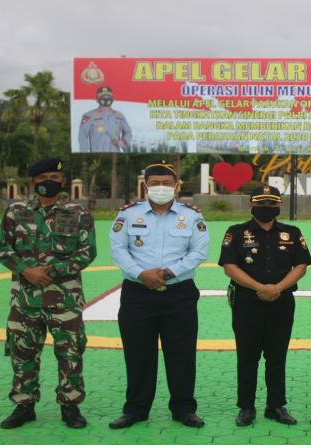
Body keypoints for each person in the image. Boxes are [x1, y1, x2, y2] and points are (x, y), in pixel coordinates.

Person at [0, 157, 97, 429]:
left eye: (55, 177)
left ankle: (70, 406)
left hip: (66, 300)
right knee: (22, 353)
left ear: (63, 181)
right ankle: (24, 405)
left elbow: (87, 253)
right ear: (33, 182)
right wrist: (27, 271)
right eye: (43, 178)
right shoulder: (16, 211)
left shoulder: (78, 212)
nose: (49, 182)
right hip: (25, 300)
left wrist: (50, 272)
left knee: (71, 353)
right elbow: (2, 249)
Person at [108, 162, 209, 429]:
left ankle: (184, 408)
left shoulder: (191, 216)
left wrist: (167, 273)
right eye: (155, 183)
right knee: (138, 353)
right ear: (146, 185)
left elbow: (198, 253)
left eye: (166, 183)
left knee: (182, 353)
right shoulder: (128, 215)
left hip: (179, 293)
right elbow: (118, 249)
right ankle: (136, 409)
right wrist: (141, 274)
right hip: (137, 294)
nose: (161, 188)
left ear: (176, 186)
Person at [219, 185, 311, 427]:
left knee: (277, 356)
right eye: (261, 204)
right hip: (247, 303)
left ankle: (275, 405)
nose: (266, 208)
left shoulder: (292, 232)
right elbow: (230, 266)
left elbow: (301, 266)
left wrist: (278, 288)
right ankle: (246, 407)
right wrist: (259, 287)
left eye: (272, 204)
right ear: (250, 205)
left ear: (279, 206)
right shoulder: (236, 232)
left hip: (281, 302)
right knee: (247, 356)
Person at [78, 86, 132, 153]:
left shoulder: (119, 116)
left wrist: (124, 141)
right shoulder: (88, 116)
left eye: (108, 97)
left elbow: (128, 132)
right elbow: (82, 136)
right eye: (103, 97)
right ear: (97, 99)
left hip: (115, 153)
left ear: (113, 99)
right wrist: (84, 154)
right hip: (96, 154)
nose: (106, 99)